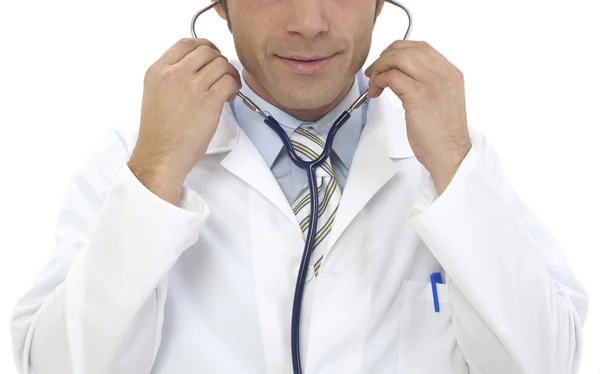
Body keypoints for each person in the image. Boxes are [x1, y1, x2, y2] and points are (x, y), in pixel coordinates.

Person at [10, 0, 588, 373]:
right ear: (221, 5)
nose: (309, 22)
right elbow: (53, 367)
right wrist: (157, 175)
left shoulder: (451, 156)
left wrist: (457, 171)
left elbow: (548, 363)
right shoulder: (134, 159)